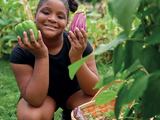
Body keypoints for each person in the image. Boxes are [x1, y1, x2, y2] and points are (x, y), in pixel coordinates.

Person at [10, 0, 100, 119]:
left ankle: (70, 115)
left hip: (75, 93)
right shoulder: (21, 51)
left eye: (60, 16)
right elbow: (35, 100)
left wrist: (76, 57)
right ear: (35, 16)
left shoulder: (78, 45)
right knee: (30, 116)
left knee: (96, 109)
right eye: (46, 13)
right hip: (42, 97)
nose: (52, 19)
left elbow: (94, 90)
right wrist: (41, 56)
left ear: (66, 24)